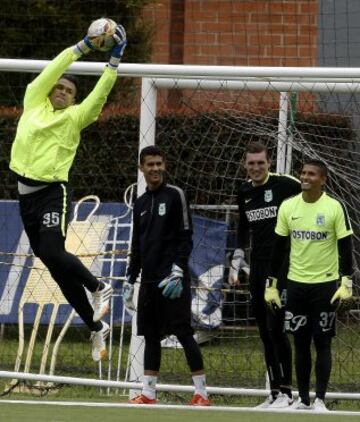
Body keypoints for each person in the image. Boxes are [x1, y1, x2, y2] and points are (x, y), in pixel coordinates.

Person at [9, 20, 127, 362]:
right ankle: (96, 327)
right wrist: (82, 47)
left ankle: (99, 287)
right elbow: (53, 69)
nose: (62, 91)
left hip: (52, 192)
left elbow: (100, 95)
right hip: (25, 195)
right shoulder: (34, 101)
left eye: (69, 91)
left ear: (74, 99)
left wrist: (113, 62)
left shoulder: (76, 117)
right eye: (59, 88)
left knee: (51, 249)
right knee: (55, 266)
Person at [123, 145, 209, 406]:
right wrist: (129, 279)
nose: (155, 168)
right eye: (150, 164)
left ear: (165, 165)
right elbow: (137, 245)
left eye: (159, 163)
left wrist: (179, 269)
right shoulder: (139, 203)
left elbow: (186, 235)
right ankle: (149, 393)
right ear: (141, 168)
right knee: (150, 336)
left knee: (183, 332)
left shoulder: (175, 195)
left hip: (172, 279)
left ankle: (202, 393)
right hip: (148, 281)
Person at [266, 159, 353, 412]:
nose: (305, 177)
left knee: (322, 342)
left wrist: (346, 282)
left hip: (325, 285)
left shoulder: (335, 207)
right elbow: (278, 248)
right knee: (299, 342)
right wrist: (271, 285)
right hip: (295, 285)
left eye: (311, 174)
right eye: (303, 173)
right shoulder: (288, 207)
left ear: (322, 179)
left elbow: (345, 248)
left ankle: (320, 400)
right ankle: (302, 400)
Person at [229, 142, 301, 408]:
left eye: (261, 162)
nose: (256, 167)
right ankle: (273, 393)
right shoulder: (244, 190)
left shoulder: (286, 185)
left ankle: (287, 392)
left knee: (276, 328)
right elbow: (243, 228)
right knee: (263, 330)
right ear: (245, 165)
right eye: (251, 163)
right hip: (257, 268)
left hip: (281, 267)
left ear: (269, 163)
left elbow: (315, 193)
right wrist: (237, 257)